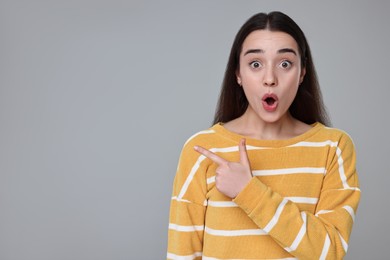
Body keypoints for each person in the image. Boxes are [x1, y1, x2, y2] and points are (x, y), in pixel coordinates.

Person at [167, 11, 360, 260]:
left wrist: (248, 191)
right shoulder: (202, 149)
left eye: (285, 64)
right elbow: (182, 254)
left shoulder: (333, 148)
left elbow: (330, 250)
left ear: (302, 73)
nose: (270, 79)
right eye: (255, 64)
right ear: (238, 73)